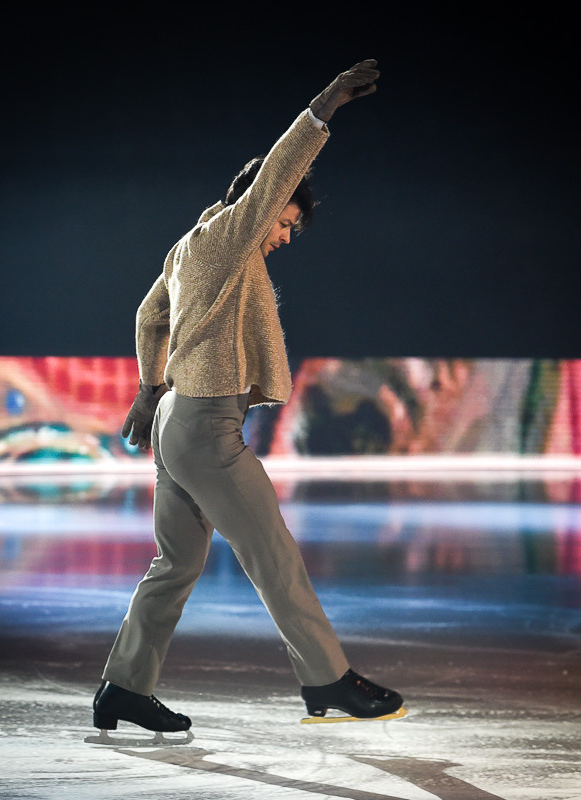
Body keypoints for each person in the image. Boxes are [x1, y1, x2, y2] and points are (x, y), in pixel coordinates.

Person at [93, 60, 404, 733]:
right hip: (206, 427)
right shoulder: (232, 236)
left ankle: (123, 688)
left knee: (175, 564)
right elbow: (276, 175)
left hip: (176, 420)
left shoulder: (188, 247)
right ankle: (327, 680)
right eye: (284, 220)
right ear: (257, 204)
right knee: (273, 553)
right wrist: (323, 108)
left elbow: (149, 315)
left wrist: (149, 391)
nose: (285, 235)